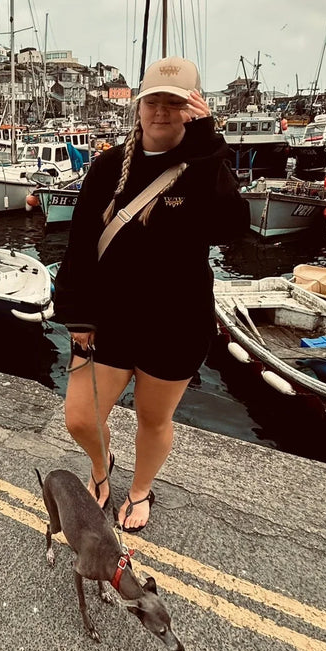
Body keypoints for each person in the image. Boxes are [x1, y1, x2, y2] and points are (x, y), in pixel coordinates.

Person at [53, 56, 249, 532]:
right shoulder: (107, 167)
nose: (162, 111)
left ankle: (140, 489)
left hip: (176, 323)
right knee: (80, 417)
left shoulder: (205, 165)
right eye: (153, 101)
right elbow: (79, 243)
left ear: (193, 108)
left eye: (175, 102)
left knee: (152, 419)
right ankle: (103, 468)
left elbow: (232, 228)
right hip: (111, 319)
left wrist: (208, 145)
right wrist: (77, 314)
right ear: (138, 107)